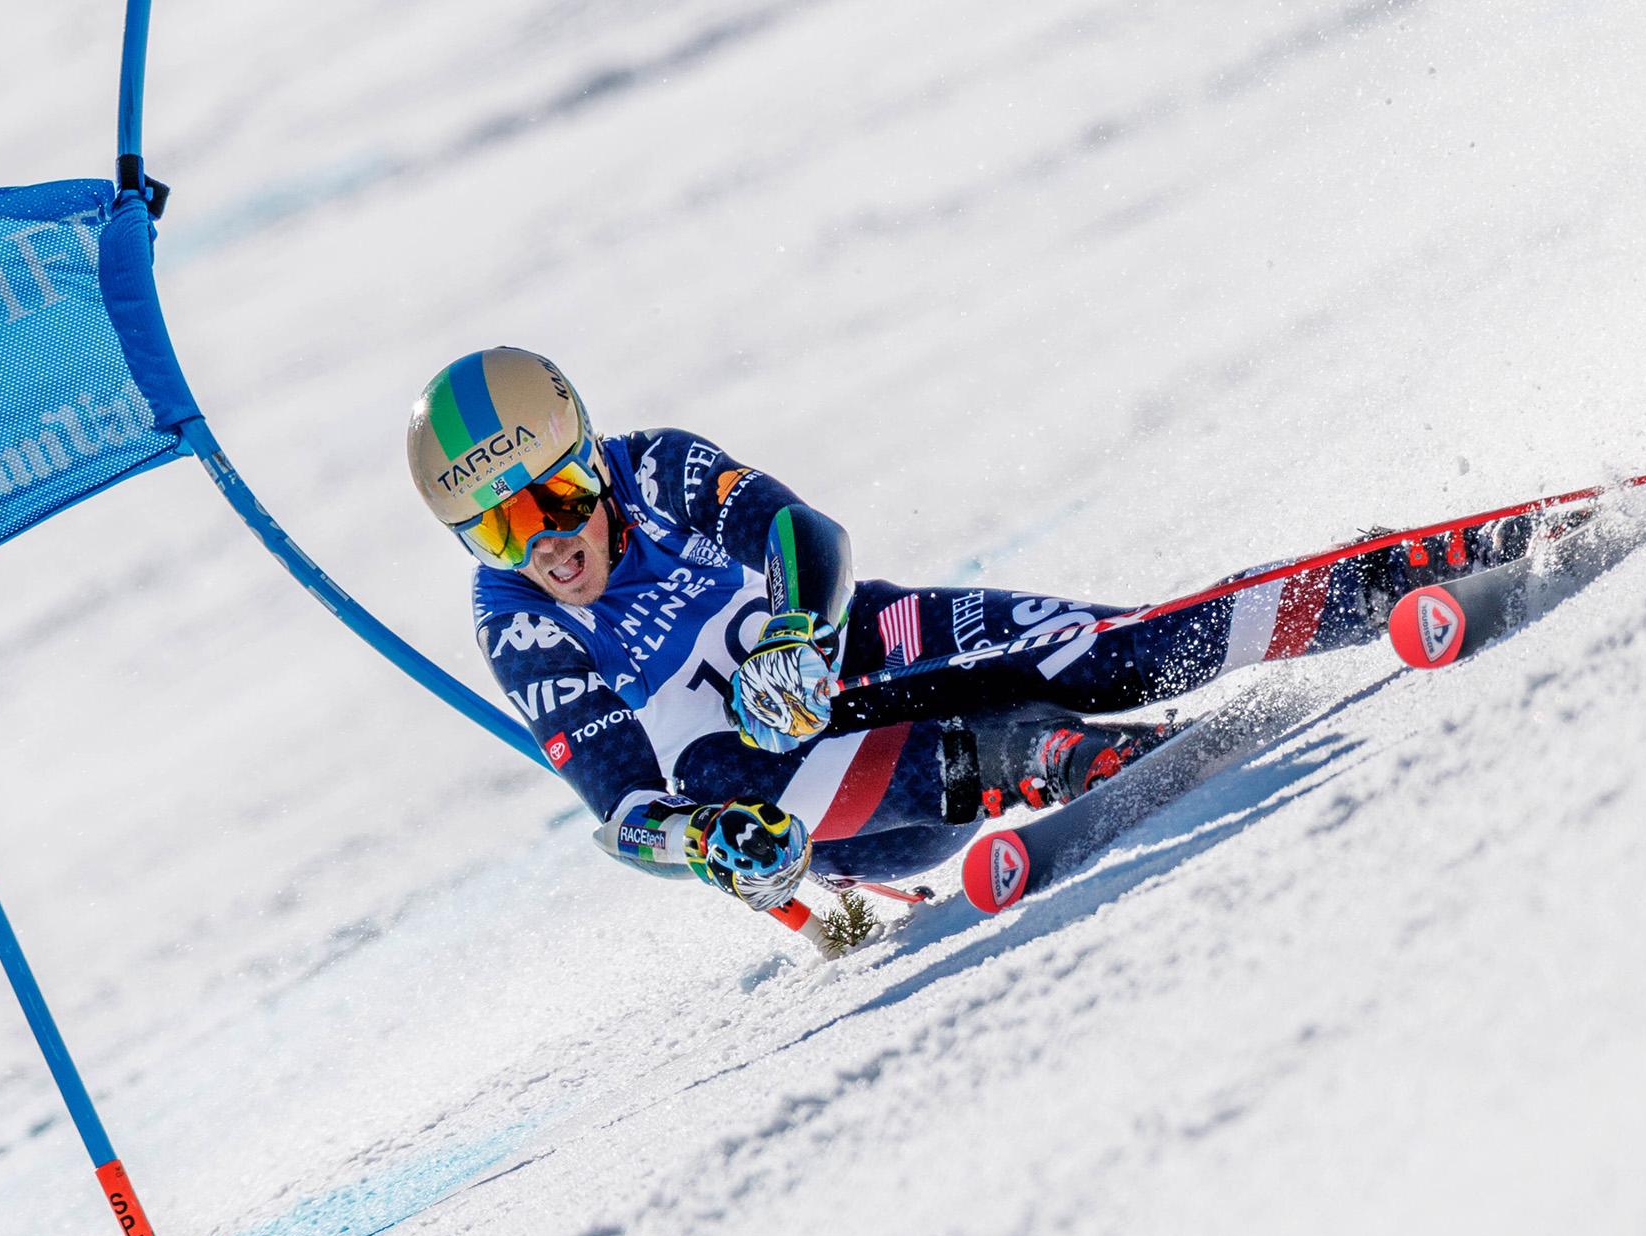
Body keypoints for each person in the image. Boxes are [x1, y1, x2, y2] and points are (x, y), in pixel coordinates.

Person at [407, 348, 1524, 919]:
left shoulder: (653, 466)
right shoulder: (516, 621)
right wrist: (708, 844)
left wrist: (796, 632)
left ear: (583, 452)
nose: (540, 543)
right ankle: (1052, 762)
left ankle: (1385, 576)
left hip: (850, 645)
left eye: (547, 497)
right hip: (803, 793)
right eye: (495, 528)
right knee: (886, 751)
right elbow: (624, 809)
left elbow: (807, 534)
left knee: (1124, 652)